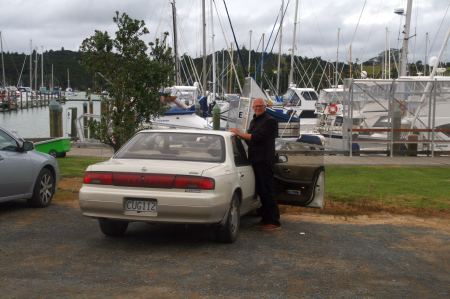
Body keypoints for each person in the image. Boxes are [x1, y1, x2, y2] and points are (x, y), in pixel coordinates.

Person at [229, 98, 281, 231]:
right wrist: (241, 137)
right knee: (261, 191)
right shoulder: (254, 121)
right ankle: (265, 218)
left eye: (260, 106)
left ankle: (273, 221)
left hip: (264, 161)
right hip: (254, 160)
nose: (257, 108)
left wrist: (241, 134)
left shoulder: (270, 121)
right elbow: (250, 140)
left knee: (267, 190)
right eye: (255, 106)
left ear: (265, 107)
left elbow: (257, 137)